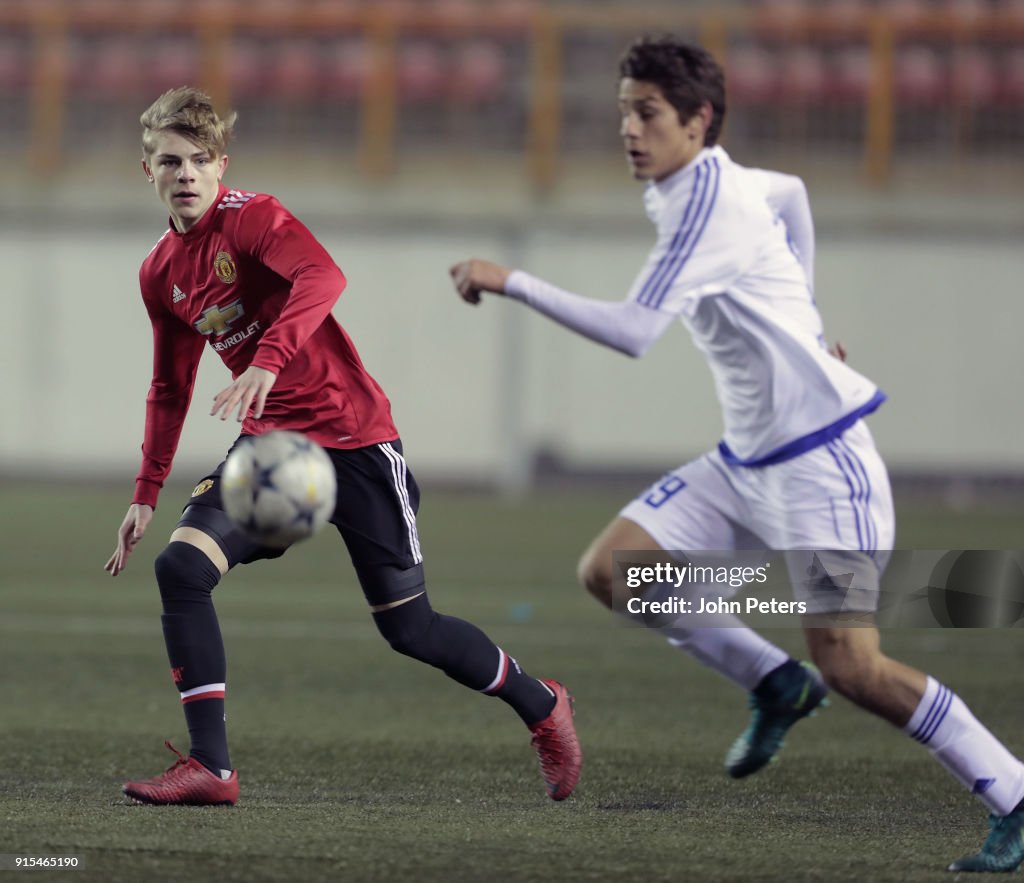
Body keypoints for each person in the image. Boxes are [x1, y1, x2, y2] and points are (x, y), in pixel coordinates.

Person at [449, 36, 1024, 873]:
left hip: (824, 468)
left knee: (855, 663)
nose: (629, 131)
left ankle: (1012, 788)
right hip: (744, 461)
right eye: (623, 112)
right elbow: (790, 193)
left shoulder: (703, 208)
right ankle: (773, 678)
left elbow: (635, 332)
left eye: (647, 114)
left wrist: (512, 280)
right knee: (616, 569)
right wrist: (813, 321)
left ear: (699, 121)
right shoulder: (712, 179)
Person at [105, 86, 581, 807]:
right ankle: (213, 766)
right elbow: (169, 387)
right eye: (170, 161)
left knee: (411, 628)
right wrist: (145, 492)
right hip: (274, 449)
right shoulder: (159, 273)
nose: (187, 174)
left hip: (357, 439)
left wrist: (265, 360)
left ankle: (541, 703)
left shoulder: (254, 217)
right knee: (180, 568)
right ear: (149, 171)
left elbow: (323, 275)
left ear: (221, 164)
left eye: (201, 159)